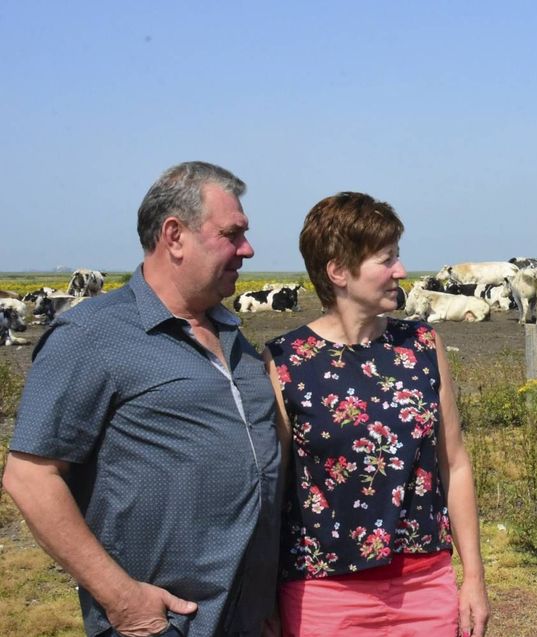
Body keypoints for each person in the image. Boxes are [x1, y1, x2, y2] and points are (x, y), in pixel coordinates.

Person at [2, 161, 282, 637]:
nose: (248, 249)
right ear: (174, 236)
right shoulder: (92, 335)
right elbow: (30, 476)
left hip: (250, 617)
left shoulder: (236, 338)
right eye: (232, 234)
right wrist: (121, 597)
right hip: (163, 622)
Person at [263, 192, 490, 636]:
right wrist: (263, 592)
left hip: (426, 585)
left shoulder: (422, 345)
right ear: (339, 271)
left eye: (398, 256)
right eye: (386, 259)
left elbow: (455, 463)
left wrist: (474, 579)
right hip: (323, 595)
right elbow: (274, 484)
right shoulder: (286, 361)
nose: (401, 271)